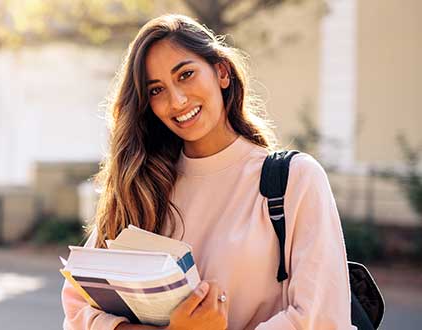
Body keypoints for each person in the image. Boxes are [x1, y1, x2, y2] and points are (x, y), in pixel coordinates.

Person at [61, 14, 354, 330]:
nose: (177, 100)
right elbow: (78, 311)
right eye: (156, 90)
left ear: (221, 72)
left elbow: (321, 319)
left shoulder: (294, 179)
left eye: (186, 74)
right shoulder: (143, 185)